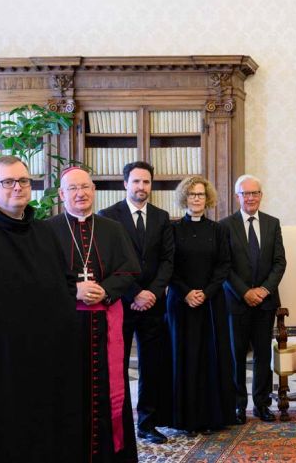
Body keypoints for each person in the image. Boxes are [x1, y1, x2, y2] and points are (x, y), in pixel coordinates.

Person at [0, 155, 81, 461]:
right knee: (2, 431)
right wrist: (12, 331)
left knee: (44, 426)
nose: (17, 188)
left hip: (44, 351)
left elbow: (65, 282)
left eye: (23, 181)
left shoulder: (45, 231)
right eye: (8, 181)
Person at [49, 166, 140, 462]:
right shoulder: (47, 230)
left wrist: (107, 290)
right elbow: (40, 277)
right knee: (68, 392)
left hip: (106, 325)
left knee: (109, 391)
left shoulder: (112, 228)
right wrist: (74, 290)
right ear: (62, 194)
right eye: (73, 188)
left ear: (94, 190)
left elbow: (130, 269)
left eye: (85, 187)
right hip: (65, 327)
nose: (81, 193)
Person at [99, 161, 175, 444]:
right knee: (116, 365)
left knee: (151, 365)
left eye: (146, 182)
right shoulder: (108, 217)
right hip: (122, 302)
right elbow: (107, 262)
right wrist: (134, 293)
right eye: (136, 182)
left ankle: (147, 423)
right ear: (125, 184)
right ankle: (118, 422)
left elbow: (168, 260)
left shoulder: (162, 217)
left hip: (153, 305)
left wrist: (152, 292)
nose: (141, 187)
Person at [166, 176, 234, 433]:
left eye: (201, 195)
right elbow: (168, 266)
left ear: (208, 199)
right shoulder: (172, 230)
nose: (196, 199)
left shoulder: (218, 230)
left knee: (209, 358)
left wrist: (205, 293)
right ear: (185, 198)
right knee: (183, 357)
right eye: (192, 195)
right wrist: (186, 293)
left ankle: (209, 418)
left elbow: (224, 265)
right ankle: (185, 420)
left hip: (211, 302)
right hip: (181, 303)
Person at [220, 174, 287, 423]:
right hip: (236, 302)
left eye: (254, 193)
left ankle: (261, 404)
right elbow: (224, 265)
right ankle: (238, 406)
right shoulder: (225, 226)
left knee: (262, 354)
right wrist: (245, 292)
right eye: (245, 193)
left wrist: (263, 290)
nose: (250, 198)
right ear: (237, 196)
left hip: (266, 301)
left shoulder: (272, 223)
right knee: (236, 354)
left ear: (261, 195)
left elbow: (280, 262)